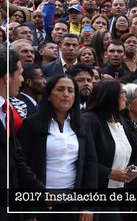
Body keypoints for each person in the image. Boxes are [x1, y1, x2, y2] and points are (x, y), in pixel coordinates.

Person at [18, 74, 97, 219]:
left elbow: (90, 164)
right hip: (42, 203)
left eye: (70, 90)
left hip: (72, 204)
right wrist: (30, 211)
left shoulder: (83, 124)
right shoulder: (32, 124)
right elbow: (23, 167)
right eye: (60, 89)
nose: (66, 94)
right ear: (48, 95)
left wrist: (88, 205)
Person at [81, 80, 137, 220]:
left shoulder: (120, 121)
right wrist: (109, 173)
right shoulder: (89, 120)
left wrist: (126, 167)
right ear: (111, 96)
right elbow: (83, 159)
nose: (125, 97)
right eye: (123, 93)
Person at [3, 47, 45, 220]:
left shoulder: (8, 110)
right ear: (7, 78)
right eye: (19, 74)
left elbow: (16, 157)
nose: (21, 81)